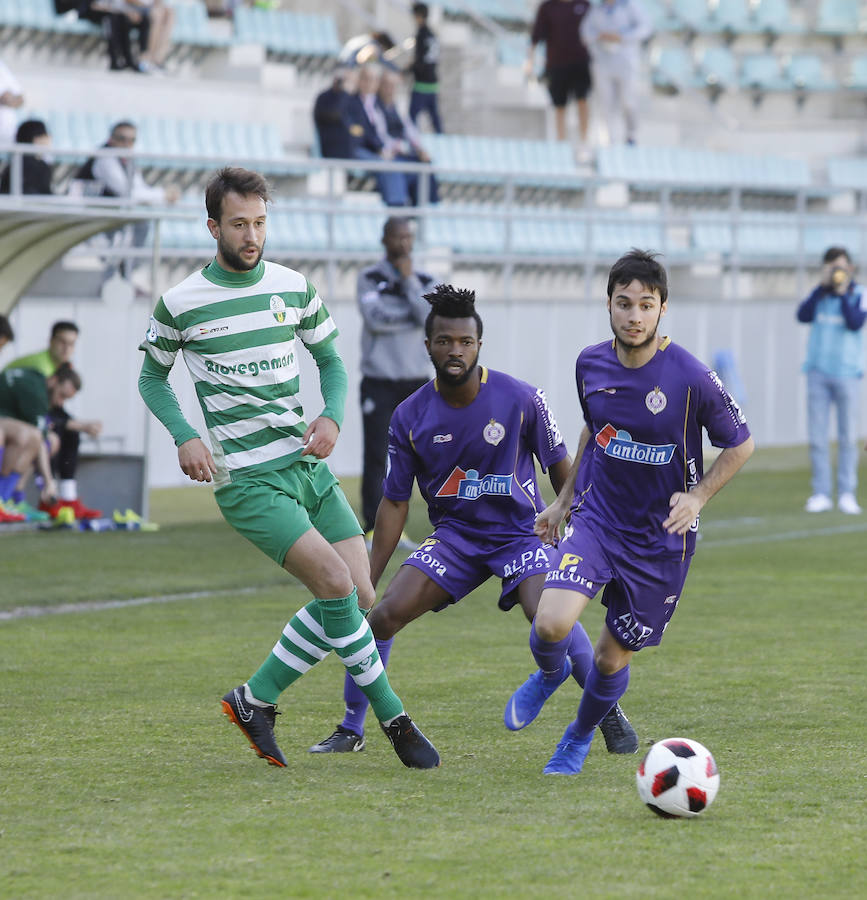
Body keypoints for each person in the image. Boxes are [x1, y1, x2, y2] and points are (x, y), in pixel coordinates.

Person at [137, 166, 440, 770]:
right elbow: (153, 376)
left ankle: (257, 698)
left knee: (357, 595)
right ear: (213, 227)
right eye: (239, 224)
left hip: (307, 467)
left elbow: (330, 361)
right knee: (332, 585)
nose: (252, 235)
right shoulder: (181, 304)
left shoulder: (292, 287)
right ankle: (394, 719)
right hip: (248, 480)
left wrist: (330, 417)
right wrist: (185, 435)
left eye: (259, 223)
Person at [310, 284, 639, 756]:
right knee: (381, 618)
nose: (455, 350)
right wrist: (368, 575)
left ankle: (607, 711)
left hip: (519, 535)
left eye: (465, 341)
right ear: (428, 346)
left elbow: (563, 465)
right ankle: (351, 727)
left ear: (479, 344)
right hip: (455, 540)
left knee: (549, 617)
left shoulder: (522, 398)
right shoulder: (409, 416)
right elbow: (394, 503)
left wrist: (572, 518)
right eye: (444, 341)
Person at [507, 249, 754, 775]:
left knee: (608, 660)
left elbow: (740, 443)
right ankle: (550, 675)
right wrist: (564, 498)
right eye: (624, 304)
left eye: (646, 304)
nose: (634, 316)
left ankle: (577, 736)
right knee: (551, 624)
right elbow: (595, 431)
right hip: (598, 522)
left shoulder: (690, 376)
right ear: (609, 306)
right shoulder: (590, 363)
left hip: (661, 541)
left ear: (663, 308)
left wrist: (698, 497)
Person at [356, 217, 435, 538]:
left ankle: (442, 521)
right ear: (385, 239)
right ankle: (375, 526)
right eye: (397, 237)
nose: (404, 243)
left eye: (408, 237)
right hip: (379, 380)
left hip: (416, 381)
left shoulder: (425, 280)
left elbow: (429, 317)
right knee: (377, 454)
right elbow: (375, 319)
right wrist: (410, 313)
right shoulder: (369, 278)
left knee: (426, 455)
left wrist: (409, 283)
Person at [4, 321, 103, 520]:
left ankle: (67, 498)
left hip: (20, 416)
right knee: (44, 439)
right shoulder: (41, 368)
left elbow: (54, 410)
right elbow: (43, 411)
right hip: (11, 417)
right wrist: (47, 481)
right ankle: (14, 499)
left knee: (63, 434)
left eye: (72, 344)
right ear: (50, 341)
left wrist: (78, 426)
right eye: (62, 342)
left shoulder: (62, 368)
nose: (67, 348)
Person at [797, 246, 866, 515]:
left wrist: (843, 294)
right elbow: (803, 315)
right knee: (817, 437)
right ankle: (821, 493)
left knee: (848, 437)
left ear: (850, 269)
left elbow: (855, 322)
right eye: (833, 267)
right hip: (817, 372)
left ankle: (847, 493)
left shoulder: (859, 294)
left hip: (848, 373)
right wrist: (822, 288)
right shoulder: (819, 294)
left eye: (842, 267)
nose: (838, 272)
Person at [72, 120, 179, 277]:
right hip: (92, 216)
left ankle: (122, 276)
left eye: (132, 140)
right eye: (122, 139)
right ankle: (120, 276)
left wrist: (163, 196)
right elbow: (126, 192)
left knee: (138, 227)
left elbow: (138, 188)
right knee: (136, 229)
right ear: (112, 139)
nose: (127, 144)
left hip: (108, 216)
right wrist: (163, 195)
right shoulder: (105, 158)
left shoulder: (125, 160)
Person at [0, 363, 83, 521]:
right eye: (61, 396)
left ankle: (11, 499)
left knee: (47, 440)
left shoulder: (35, 376)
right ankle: (4, 497)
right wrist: (49, 483)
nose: (60, 403)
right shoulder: (37, 395)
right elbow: (39, 439)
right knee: (31, 437)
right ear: (54, 380)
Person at [580, 0, 653, 146]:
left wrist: (622, 36)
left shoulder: (630, 6)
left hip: (626, 61)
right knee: (606, 103)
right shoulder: (597, 10)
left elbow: (645, 28)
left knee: (628, 101)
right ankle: (610, 139)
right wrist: (600, 36)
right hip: (603, 61)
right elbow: (585, 33)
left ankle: (631, 135)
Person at [528, 0, 592, 150]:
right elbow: (536, 36)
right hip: (556, 63)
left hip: (580, 62)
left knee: (582, 100)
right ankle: (561, 142)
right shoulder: (547, 7)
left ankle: (584, 141)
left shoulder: (585, 5)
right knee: (559, 105)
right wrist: (529, 61)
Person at [347, 64, 412, 207]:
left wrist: (388, 148)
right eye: (366, 79)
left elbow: (390, 129)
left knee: (409, 166)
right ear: (359, 80)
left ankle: (404, 208)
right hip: (358, 150)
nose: (369, 84)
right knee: (387, 165)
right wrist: (380, 149)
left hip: (377, 149)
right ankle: (396, 209)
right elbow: (359, 133)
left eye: (373, 80)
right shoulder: (350, 102)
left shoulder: (378, 104)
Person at [376, 69, 439, 205]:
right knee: (399, 170)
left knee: (425, 165)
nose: (390, 90)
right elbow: (380, 135)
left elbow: (409, 129)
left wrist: (418, 148)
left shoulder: (398, 107)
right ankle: (400, 209)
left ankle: (429, 205)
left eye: (393, 86)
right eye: (387, 85)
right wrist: (397, 147)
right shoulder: (375, 107)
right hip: (390, 154)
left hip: (403, 152)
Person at [408, 3, 443, 134]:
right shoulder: (432, 34)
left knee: (412, 117)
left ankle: (414, 144)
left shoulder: (421, 34)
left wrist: (406, 71)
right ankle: (442, 141)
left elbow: (419, 61)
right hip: (433, 82)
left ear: (418, 16)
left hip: (422, 83)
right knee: (435, 119)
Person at [313, 66, 356, 160]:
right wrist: (344, 93)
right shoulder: (324, 97)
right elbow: (336, 113)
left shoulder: (347, 97)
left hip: (349, 146)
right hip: (332, 146)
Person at [0, 119, 53, 195]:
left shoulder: (14, 164)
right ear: (36, 138)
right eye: (45, 135)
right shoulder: (39, 166)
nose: (49, 138)